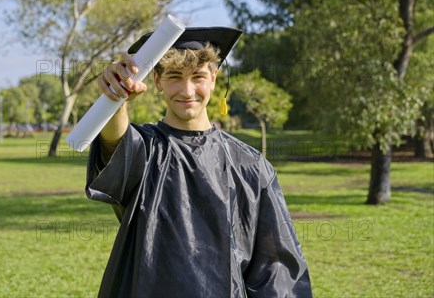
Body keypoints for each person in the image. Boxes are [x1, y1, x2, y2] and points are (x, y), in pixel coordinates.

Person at [85, 27, 312, 297]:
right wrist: (116, 97)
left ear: (214, 79)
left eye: (198, 77)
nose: (187, 89)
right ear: (157, 80)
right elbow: (115, 141)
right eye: (174, 76)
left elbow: (275, 269)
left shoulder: (250, 165)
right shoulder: (145, 150)